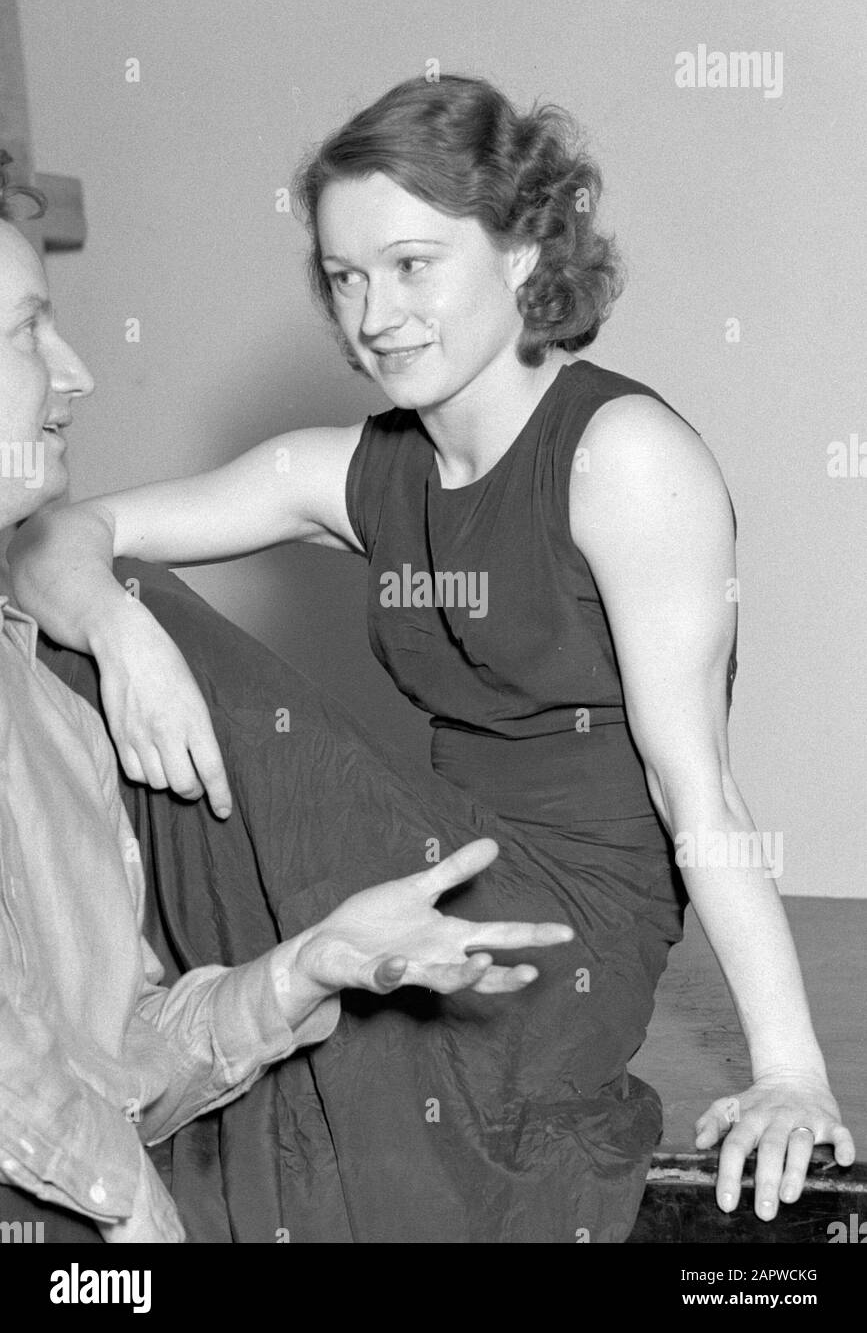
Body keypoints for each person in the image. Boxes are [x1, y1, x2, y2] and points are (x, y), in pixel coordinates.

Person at [10, 75, 854, 1242]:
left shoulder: (624, 457)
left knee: (131, 597)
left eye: (413, 265)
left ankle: (84, 1072)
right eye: (346, 278)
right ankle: (68, 1056)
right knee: (102, 605)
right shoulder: (361, 468)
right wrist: (113, 629)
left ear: (520, 253)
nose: (375, 315)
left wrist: (791, 1067)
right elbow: (48, 540)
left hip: (560, 935)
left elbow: (694, 785)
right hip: (429, 871)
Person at [0, 184, 574, 1244]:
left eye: (411, 265)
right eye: (31, 328)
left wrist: (302, 967)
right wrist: (128, 1209)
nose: (77, 375)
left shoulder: (48, 710)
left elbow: (117, 1064)